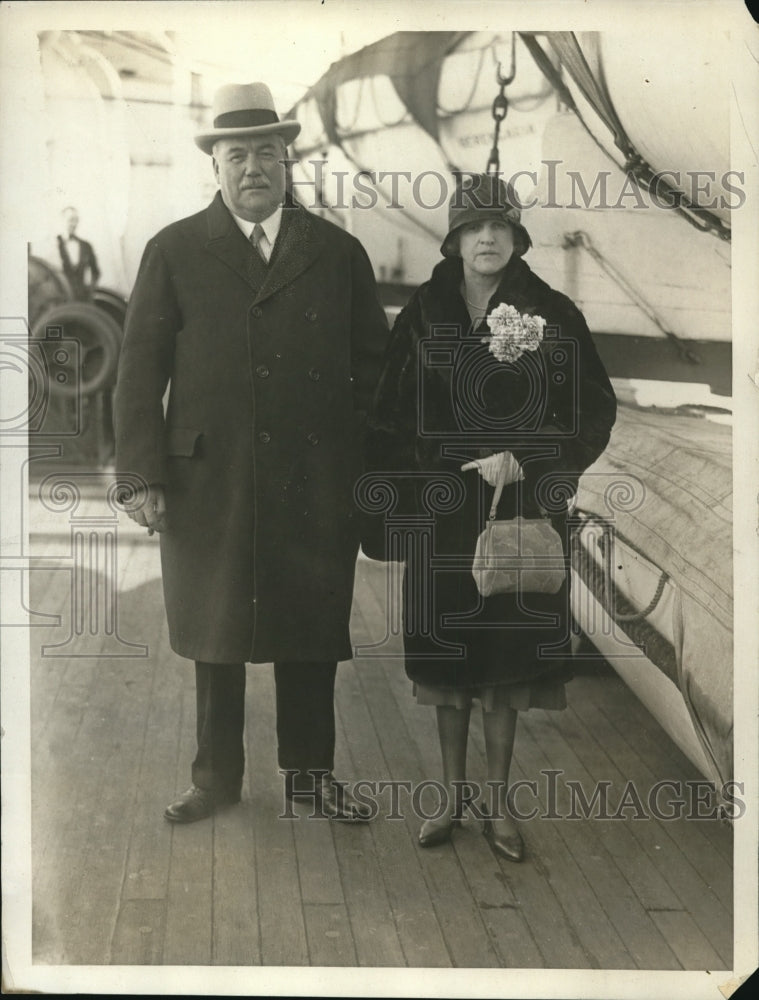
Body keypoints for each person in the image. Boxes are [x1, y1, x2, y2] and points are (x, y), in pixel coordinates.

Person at [114, 82, 389, 824]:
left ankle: (309, 777)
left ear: (286, 158)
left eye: (267, 152)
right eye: (237, 154)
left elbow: (377, 370)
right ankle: (215, 780)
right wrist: (140, 476)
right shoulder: (173, 250)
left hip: (313, 479)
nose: (253, 167)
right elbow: (139, 372)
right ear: (215, 165)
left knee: (310, 628)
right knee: (218, 630)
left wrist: (351, 459)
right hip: (211, 478)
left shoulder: (336, 252)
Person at [367, 173, 616, 860]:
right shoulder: (424, 309)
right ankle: (450, 798)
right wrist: (399, 499)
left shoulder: (551, 312)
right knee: (447, 665)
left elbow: (592, 411)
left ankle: (499, 808)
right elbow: (387, 409)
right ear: (452, 239)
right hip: (441, 515)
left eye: (498, 227)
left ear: (516, 237)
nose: (486, 238)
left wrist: (526, 460)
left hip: (518, 516)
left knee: (505, 665)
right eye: (473, 227)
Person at [57, 206, 100, 300]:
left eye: (76, 220)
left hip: (82, 299)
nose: (74, 224)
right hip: (60, 301)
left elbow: (95, 272)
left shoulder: (86, 245)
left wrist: (89, 291)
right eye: (71, 220)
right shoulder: (53, 244)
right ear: (62, 220)